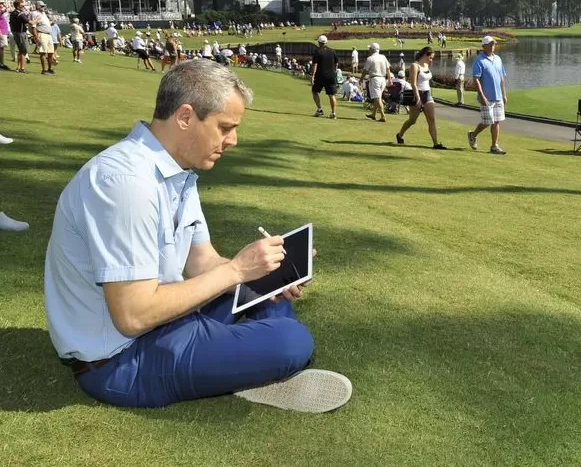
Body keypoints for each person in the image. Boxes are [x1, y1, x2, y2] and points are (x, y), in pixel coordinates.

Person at [43, 60, 352, 412]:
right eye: (225, 128)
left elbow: (202, 261)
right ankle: (240, 368)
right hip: (121, 360)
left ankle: (233, 365)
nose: (233, 140)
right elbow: (132, 316)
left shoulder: (175, 171)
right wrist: (237, 270)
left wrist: (267, 274)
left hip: (164, 323)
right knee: (292, 341)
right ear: (186, 117)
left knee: (267, 297)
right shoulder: (126, 185)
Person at [395, 46, 447, 150]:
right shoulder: (415, 66)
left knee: (431, 120)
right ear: (425, 55)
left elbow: (426, 80)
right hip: (417, 94)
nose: (431, 60)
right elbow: (413, 84)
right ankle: (400, 134)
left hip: (427, 94)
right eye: (430, 57)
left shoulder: (427, 65)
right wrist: (418, 99)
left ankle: (436, 144)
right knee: (412, 120)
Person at [467, 36, 508, 155]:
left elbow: (501, 78)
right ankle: (473, 134)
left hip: (498, 96)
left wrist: (504, 94)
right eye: (490, 44)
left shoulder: (498, 59)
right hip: (486, 96)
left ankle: (494, 146)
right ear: (484, 46)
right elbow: (476, 80)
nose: (492, 46)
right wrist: (482, 96)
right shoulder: (479, 60)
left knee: (496, 121)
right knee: (487, 121)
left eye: (493, 44)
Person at [310, 35, 339, 119]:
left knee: (315, 91)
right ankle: (333, 113)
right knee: (331, 95)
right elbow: (336, 63)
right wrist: (334, 71)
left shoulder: (317, 51)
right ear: (326, 42)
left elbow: (315, 64)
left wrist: (313, 76)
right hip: (331, 75)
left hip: (320, 75)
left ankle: (319, 109)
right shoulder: (332, 51)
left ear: (319, 42)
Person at [362, 42, 391, 122]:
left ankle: (383, 116)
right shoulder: (383, 57)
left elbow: (365, 70)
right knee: (377, 97)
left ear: (372, 49)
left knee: (378, 98)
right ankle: (373, 114)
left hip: (375, 79)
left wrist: (361, 79)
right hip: (383, 79)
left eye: (369, 48)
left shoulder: (370, 58)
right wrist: (390, 79)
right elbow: (388, 68)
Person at [31, 2, 56, 75]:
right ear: (37, 6)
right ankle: (44, 70)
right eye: (42, 6)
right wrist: (36, 37)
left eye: (44, 6)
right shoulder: (35, 14)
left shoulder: (44, 14)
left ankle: (50, 68)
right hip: (41, 34)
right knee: (43, 52)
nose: (43, 7)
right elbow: (34, 26)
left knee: (51, 52)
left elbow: (45, 24)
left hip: (48, 34)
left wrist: (51, 23)